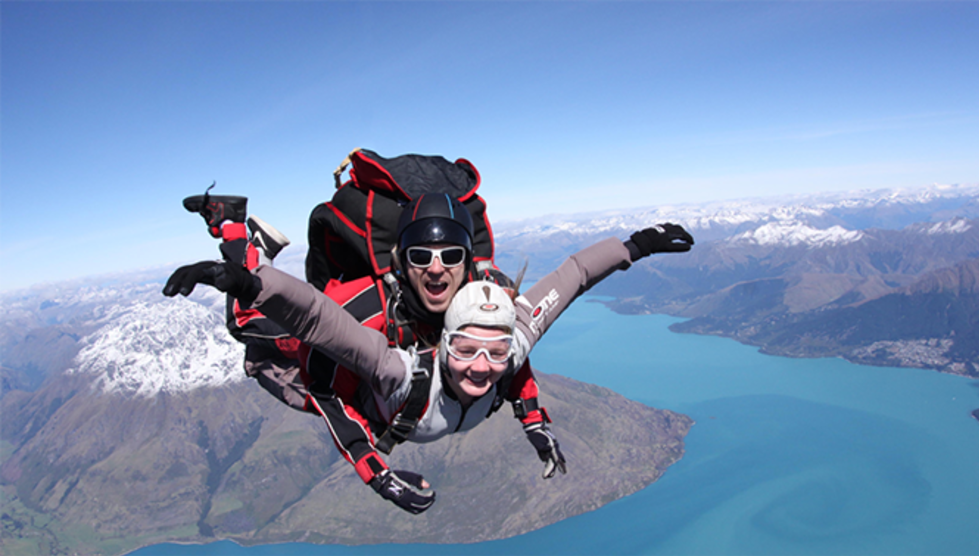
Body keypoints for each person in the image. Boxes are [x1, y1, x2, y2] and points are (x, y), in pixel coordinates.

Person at [164, 220, 695, 513]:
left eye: (494, 352)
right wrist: (376, 474)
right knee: (248, 333)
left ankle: (248, 255)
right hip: (329, 376)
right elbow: (316, 319)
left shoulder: (513, 345)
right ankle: (239, 235)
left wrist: (636, 245)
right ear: (442, 348)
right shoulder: (396, 371)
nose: (482, 369)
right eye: (465, 351)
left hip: (394, 402)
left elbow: (573, 276)